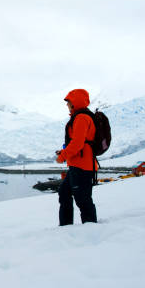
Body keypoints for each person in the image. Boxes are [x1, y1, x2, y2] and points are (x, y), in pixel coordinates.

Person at [55, 88, 98, 225]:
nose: (67, 104)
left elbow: (78, 143)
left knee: (82, 199)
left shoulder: (81, 118)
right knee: (64, 193)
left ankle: (91, 227)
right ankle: (66, 227)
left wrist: (62, 156)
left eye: (68, 102)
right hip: (77, 164)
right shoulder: (79, 117)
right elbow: (78, 142)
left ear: (75, 102)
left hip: (83, 166)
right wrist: (63, 152)